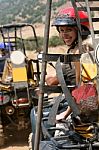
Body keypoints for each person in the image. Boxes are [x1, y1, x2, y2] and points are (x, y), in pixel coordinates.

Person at [45, 7, 96, 124]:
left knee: (50, 125)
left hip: (85, 108)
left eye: (68, 30)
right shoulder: (83, 47)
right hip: (81, 102)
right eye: (61, 30)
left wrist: (66, 113)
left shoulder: (81, 52)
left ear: (80, 30)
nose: (64, 34)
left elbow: (82, 87)